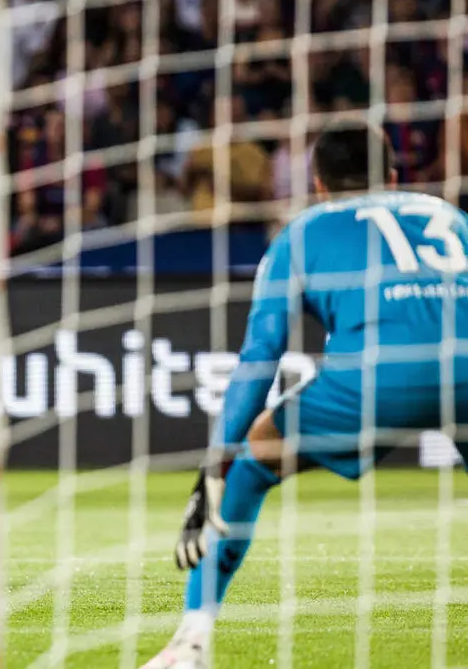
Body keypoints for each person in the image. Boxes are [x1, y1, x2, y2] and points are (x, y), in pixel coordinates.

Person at [143, 122, 468, 668]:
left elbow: (261, 357)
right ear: (391, 177)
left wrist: (215, 466)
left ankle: (190, 643)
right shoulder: (451, 217)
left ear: (317, 184)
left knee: (250, 465)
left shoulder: (304, 230)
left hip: (375, 378)